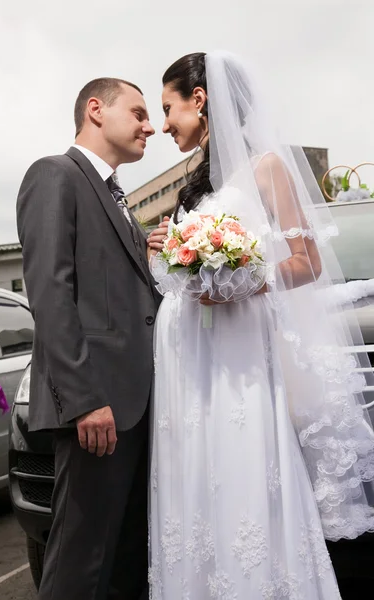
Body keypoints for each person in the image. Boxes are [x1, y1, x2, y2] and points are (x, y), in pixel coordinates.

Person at [147, 51, 374, 599]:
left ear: (199, 101)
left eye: (168, 108)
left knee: (240, 467)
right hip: (188, 356)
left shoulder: (266, 167)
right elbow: (191, 268)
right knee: (194, 476)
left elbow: (307, 262)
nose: (163, 125)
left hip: (237, 353)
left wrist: (241, 274)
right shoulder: (195, 181)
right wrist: (171, 248)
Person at [17, 77, 158, 600]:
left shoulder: (116, 195)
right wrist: (84, 400)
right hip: (97, 407)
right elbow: (52, 294)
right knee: (81, 560)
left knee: (125, 557)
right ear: (96, 110)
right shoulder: (55, 175)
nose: (151, 126)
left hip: (136, 407)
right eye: (140, 113)